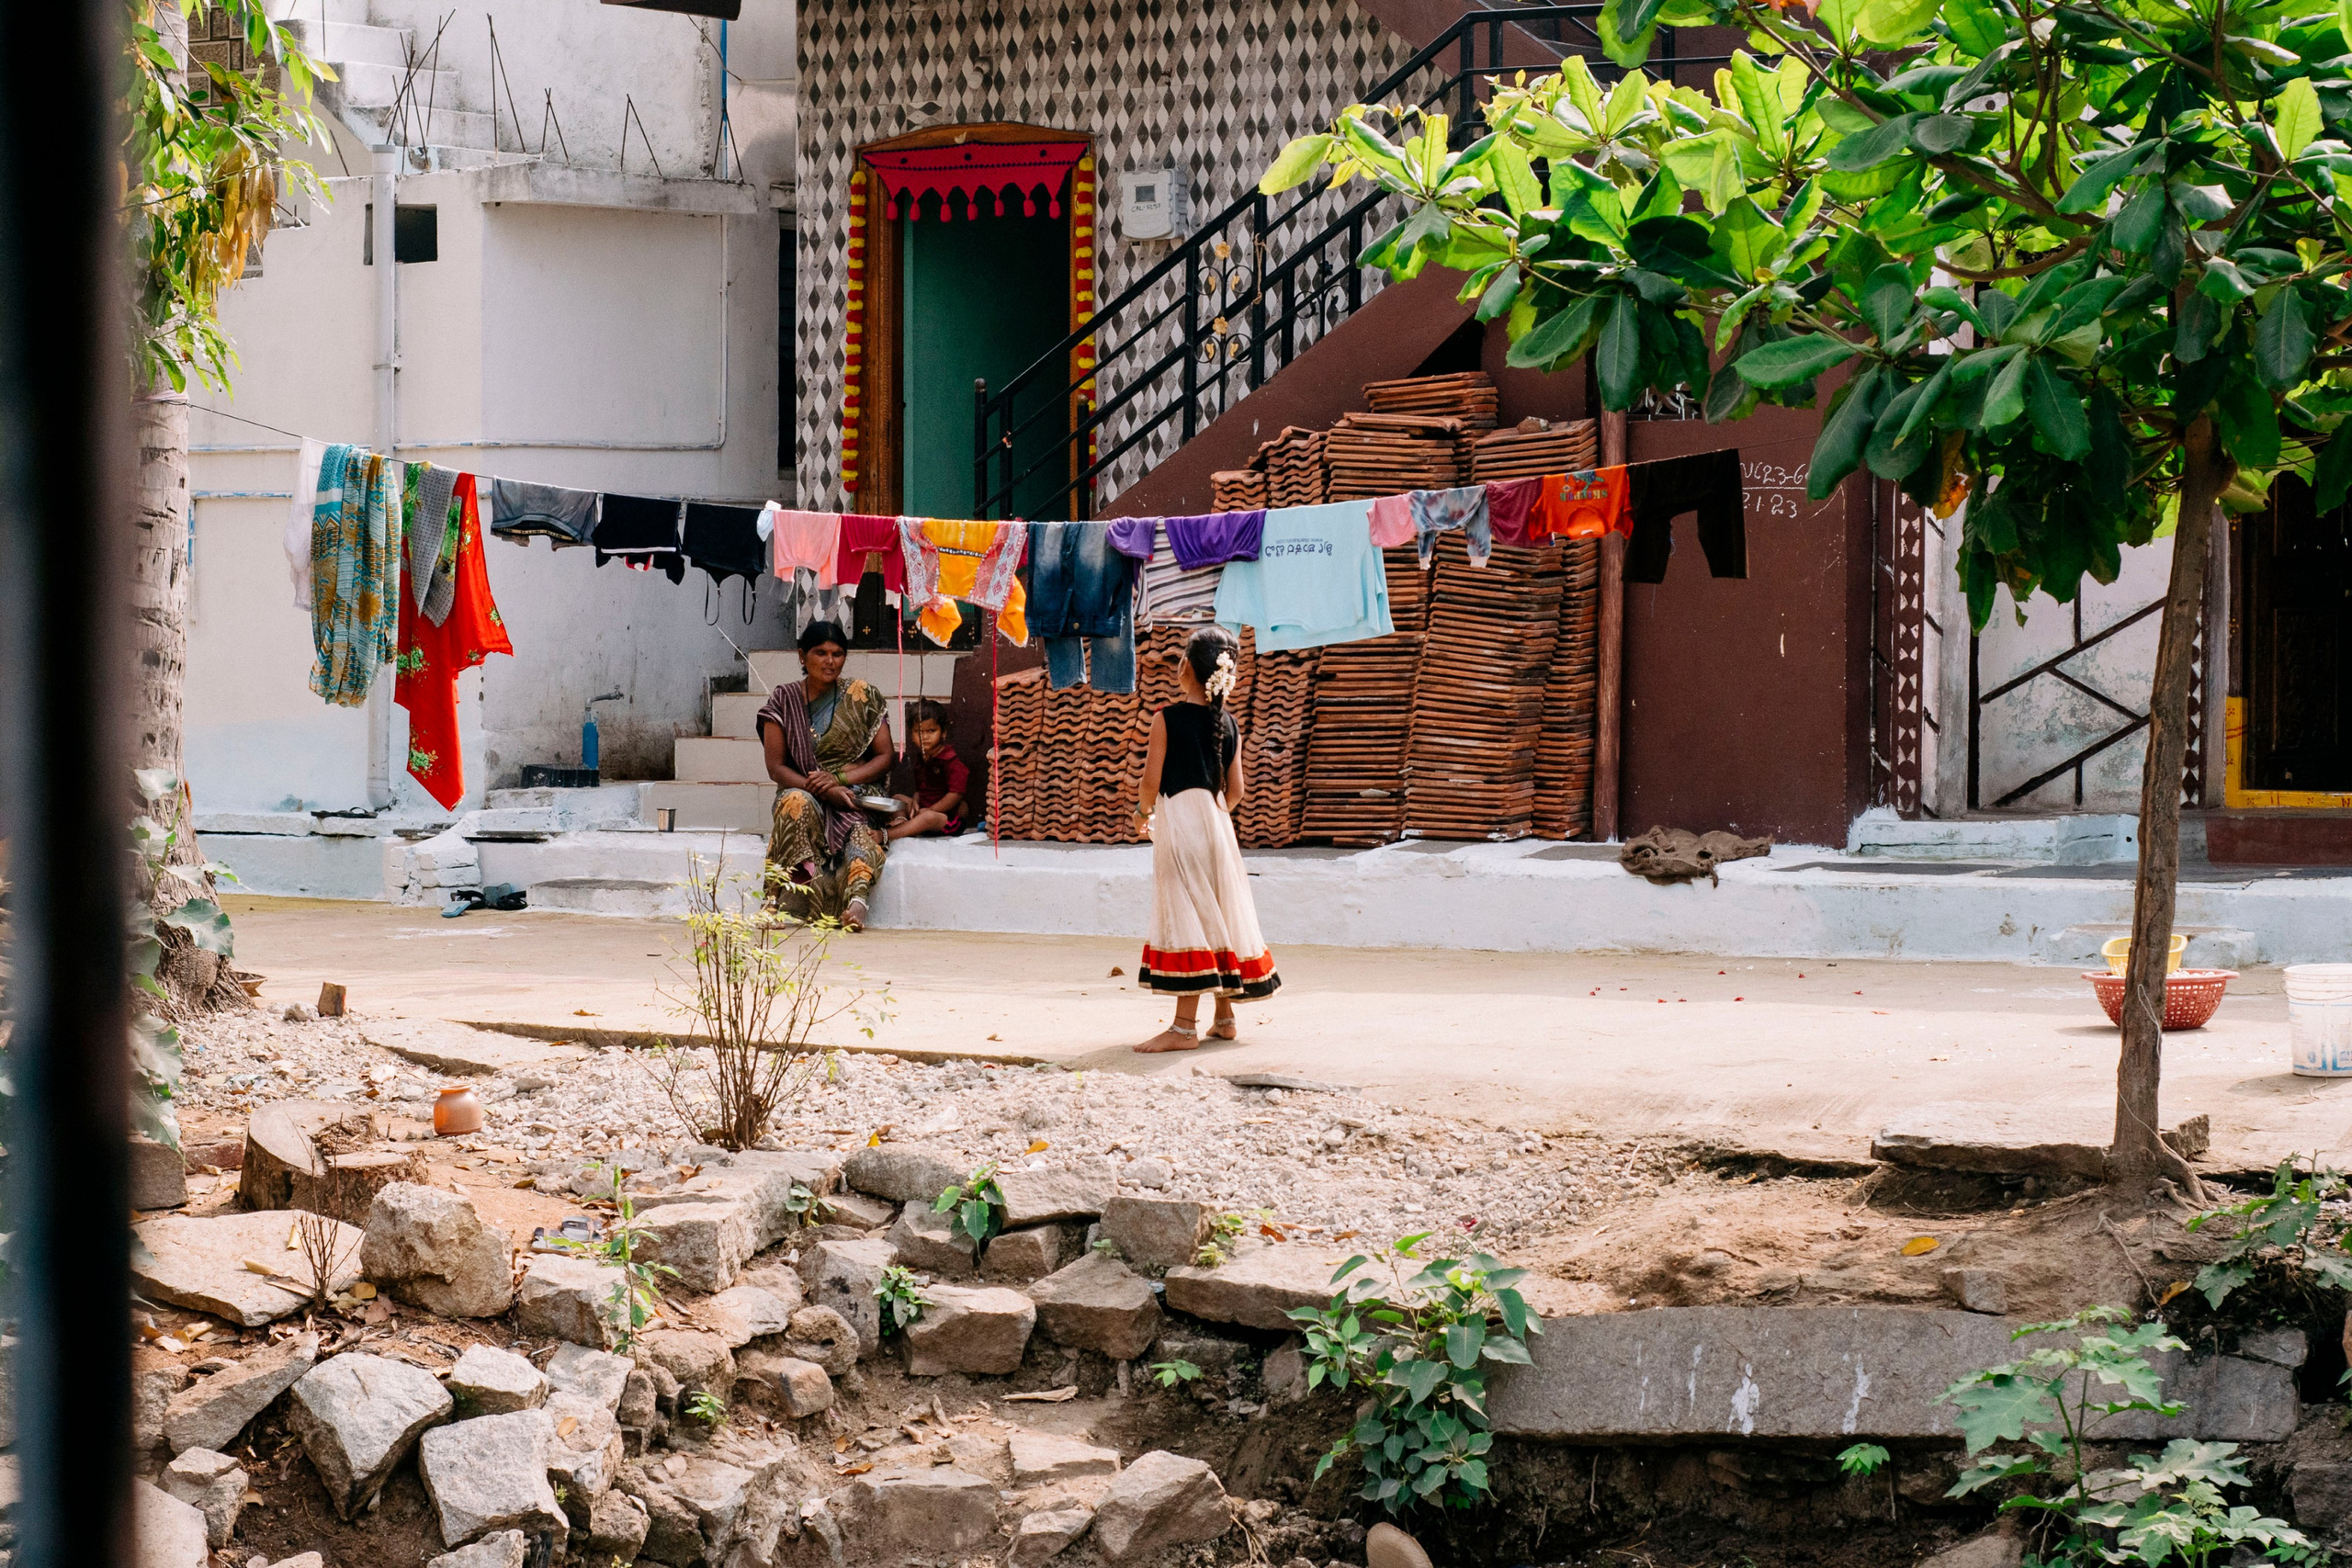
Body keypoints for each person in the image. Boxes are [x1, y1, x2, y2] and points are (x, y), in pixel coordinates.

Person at [1133, 624, 1280, 1052]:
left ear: (1185, 668)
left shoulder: (1166, 718)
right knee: (1217, 912)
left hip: (1182, 825)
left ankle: (1183, 1029)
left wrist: (1143, 814)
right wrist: (1213, 815)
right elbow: (1237, 791)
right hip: (1218, 828)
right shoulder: (1228, 723)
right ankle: (1225, 1018)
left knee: (1190, 915)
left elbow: (1150, 781)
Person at [756, 620, 895, 930]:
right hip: (803, 790)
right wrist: (822, 789)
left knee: (860, 834)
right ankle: (772, 901)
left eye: (837, 654)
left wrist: (840, 781)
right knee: (795, 803)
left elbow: (886, 757)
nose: (830, 661)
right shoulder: (784, 699)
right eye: (821, 653)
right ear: (802, 655)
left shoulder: (862, 696)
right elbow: (776, 768)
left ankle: (857, 903)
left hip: (852, 795)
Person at [887, 697, 968, 841]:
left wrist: (931, 810)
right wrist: (915, 802)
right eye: (918, 731)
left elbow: (955, 795)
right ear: (911, 735)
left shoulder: (951, 762)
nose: (924, 737)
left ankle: (887, 835)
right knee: (897, 798)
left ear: (943, 733)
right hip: (924, 809)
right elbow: (920, 790)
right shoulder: (921, 760)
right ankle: (902, 822)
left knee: (927, 818)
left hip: (946, 818)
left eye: (931, 730)